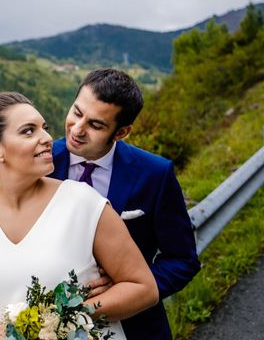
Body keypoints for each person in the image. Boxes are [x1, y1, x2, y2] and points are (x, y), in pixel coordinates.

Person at [0, 91, 158, 340]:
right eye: (29, 131)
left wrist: (69, 316)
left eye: (44, 128)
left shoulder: (83, 202)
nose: (47, 138)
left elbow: (143, 288)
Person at [50, 68, 201, 339]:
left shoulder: (154, 174)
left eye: (96, 125)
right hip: (51, 327)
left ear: (122, 132)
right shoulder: (41, 163)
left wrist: (129, 290)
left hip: (135, 328)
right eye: (76, 112)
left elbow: (183, 260)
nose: (78, 129)